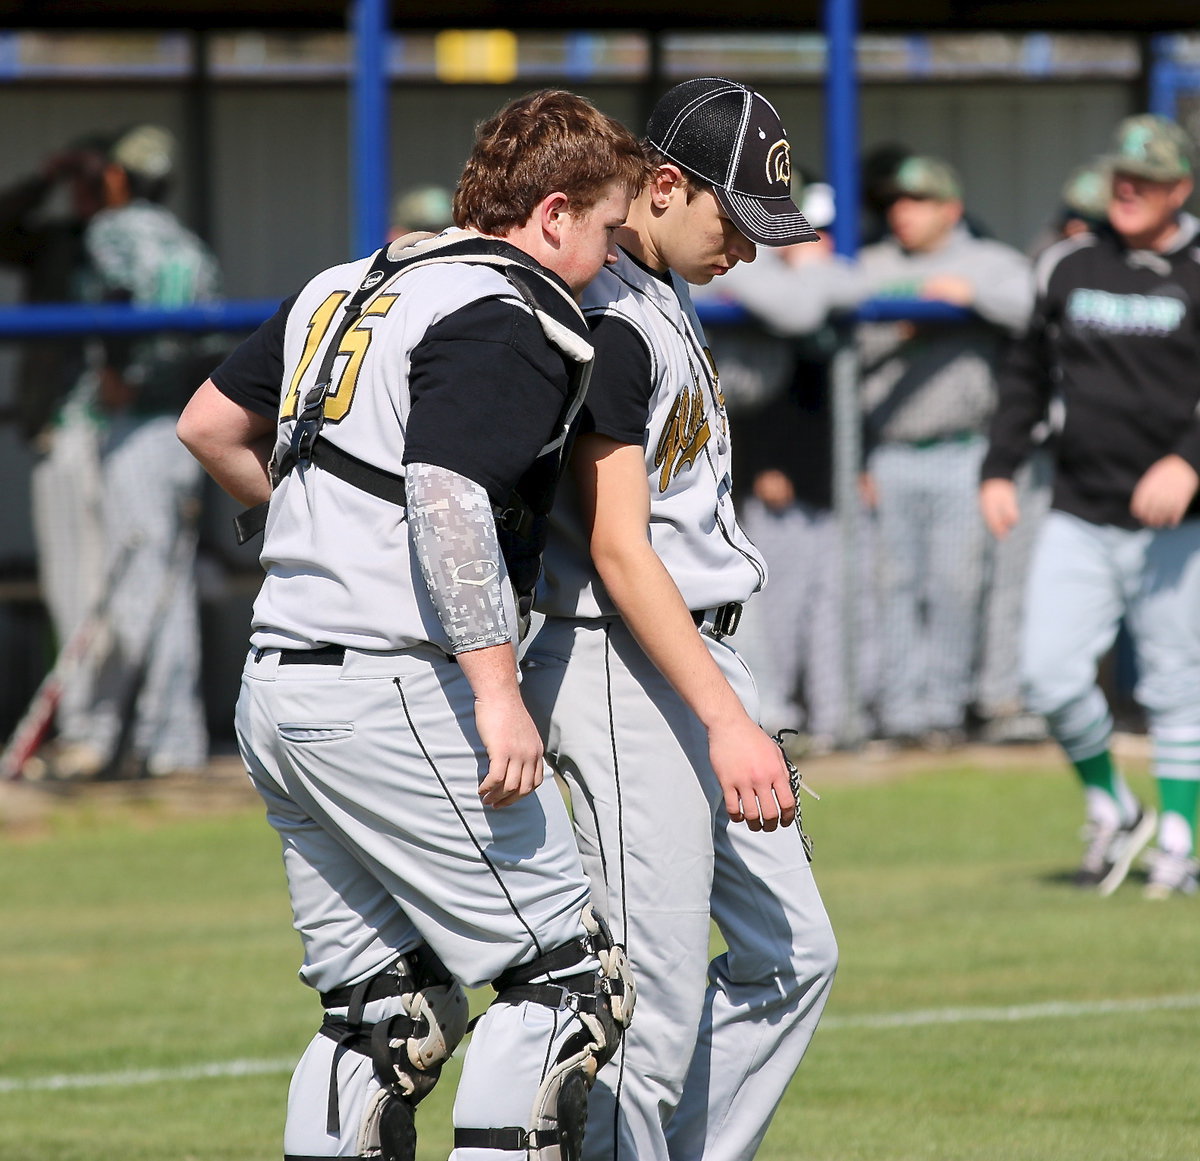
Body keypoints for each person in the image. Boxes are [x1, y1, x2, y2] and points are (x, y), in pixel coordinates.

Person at [176, 90, 648, 1160]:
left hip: (279, 687)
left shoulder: (348, 281)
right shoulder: (511, 306)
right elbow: (445, 493)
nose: (613, 260)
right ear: (555, 213)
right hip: (393, 684)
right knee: (567, 986)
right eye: (611, 233)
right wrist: (495, 693)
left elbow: (206, 424)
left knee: (382, 1014)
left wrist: (300, 519)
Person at [522, 78, 838, 1161]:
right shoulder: (610, 314)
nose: (746, 249)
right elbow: (618, 546)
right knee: (649, 1008)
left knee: (794, 955)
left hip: (696, 654)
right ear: (662, 185)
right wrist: (726, 719)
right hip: (624, 664)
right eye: (734, 219)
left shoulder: (663, 293)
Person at [980, 113, 1200, 899]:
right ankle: (1113, 801)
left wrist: (1188, 461)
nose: (1130, 189)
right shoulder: (1069, 264)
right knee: (1048, 674)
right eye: (1121, 177)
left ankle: (1180, 840)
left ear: (1182, 186)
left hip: (1178, 521)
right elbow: (1026, 375)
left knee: (1177, 681)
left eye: (1148, 178)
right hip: (1079, 505)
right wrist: (1000, 466)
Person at [12, 125, 220, 778]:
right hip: (184, 426)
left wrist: (122, 374)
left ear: (118, 179)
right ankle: (168, 740)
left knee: (135, 590)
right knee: (166, 583)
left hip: (136, 427)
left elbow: (123, 298)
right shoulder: (189, 243)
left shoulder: (115, 232)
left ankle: (125, 738)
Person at [691, 178, 876, 750]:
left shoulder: (799, 269)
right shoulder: (735, 264)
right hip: (719, 462)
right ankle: (767, 715)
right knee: (761, 605)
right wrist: (800, 267)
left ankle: (823, 716)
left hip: (805, 470)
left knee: (826, 603)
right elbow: (797, 309)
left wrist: (809, 264)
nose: (802, 238)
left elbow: (852, 283)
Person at [856, 155, 1033, 749]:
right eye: (897, 203)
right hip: (890, 451)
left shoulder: (987, 262)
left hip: (963, 450)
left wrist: (969, 295)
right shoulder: (875, 265)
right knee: (892, 587)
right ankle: (902, 713)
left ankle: (943, 710)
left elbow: (1031, 301)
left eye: (918, 202)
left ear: (950, 209)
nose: (903, 213)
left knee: (957, 586)